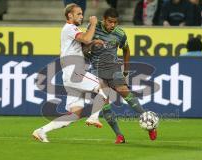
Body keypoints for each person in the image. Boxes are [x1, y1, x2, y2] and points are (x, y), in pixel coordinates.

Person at [32, 3, 111, 143]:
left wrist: (92, 43)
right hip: (75, 72)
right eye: (79, 13)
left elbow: (84, 45)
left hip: (70, 75)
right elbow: (86, 38)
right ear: (70, 15)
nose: (82, 16)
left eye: (81, 13)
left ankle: (41, 131)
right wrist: (92, 24)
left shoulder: (71, 30)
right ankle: (93, 117)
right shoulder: (70, 28)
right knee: (104, 86)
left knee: (75, 114)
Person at [84, 8, 158, 143]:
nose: (112, 25)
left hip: (114, 69)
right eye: (110, 22)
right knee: (104, 104)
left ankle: (150, 125)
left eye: (115, 22)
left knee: (125, 93)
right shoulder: (93, 28)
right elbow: (84, 46)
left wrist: (126, 71)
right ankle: (119, 135)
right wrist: (89, 50)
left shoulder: (120, 34)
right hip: (97, 72)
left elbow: (126, 50)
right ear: (104, 20)